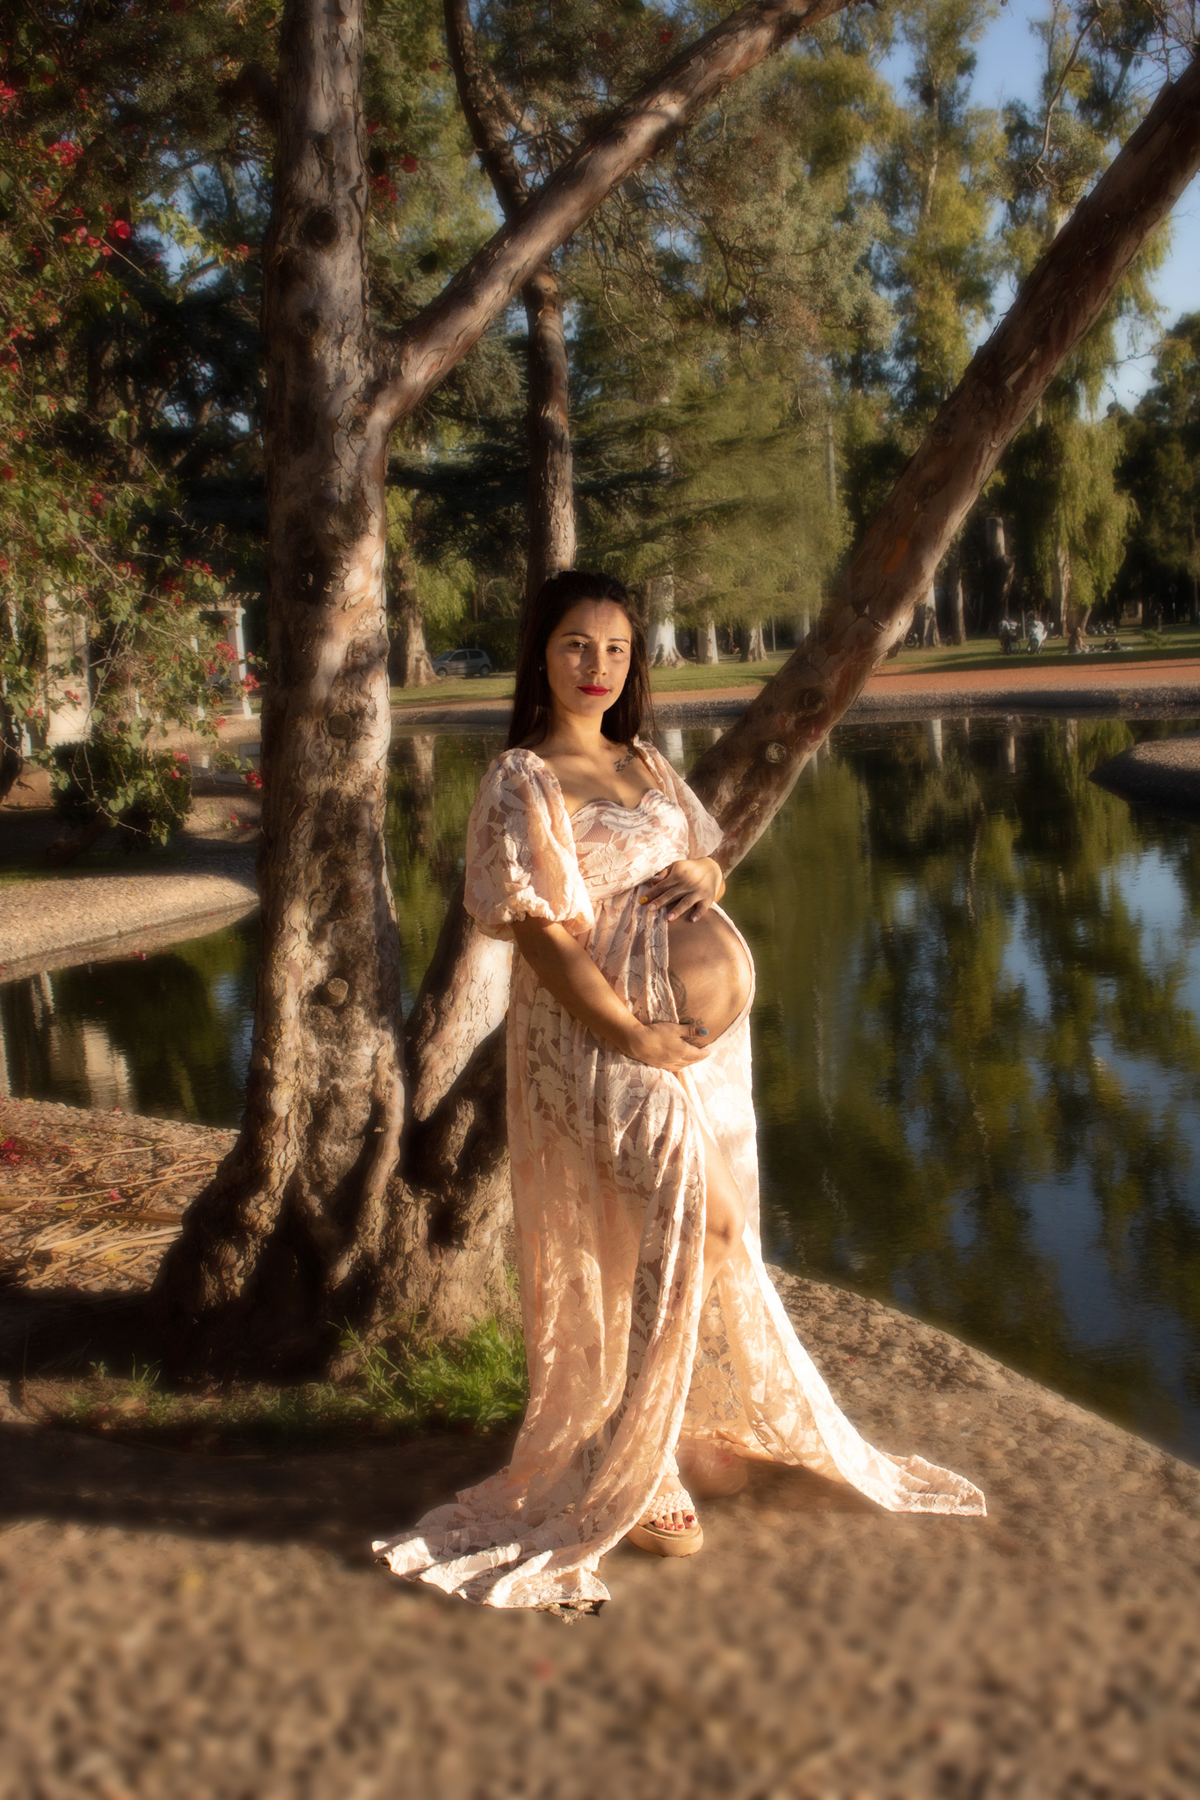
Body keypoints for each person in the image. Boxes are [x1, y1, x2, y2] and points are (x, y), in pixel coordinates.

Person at [375, 570, 984, 1612]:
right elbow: (539, 936)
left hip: (695, 1051)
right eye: (576, 645)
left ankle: (667, 1414)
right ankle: (637, 1460)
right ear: (541, 654)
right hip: (603, 1045)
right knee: (667, 1226)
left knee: (714, 1226)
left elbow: (702, 861)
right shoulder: (522, 778)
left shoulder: (644, 761)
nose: (596, 667)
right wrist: (630, 1031)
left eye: (614, 649)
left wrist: (708, 882)